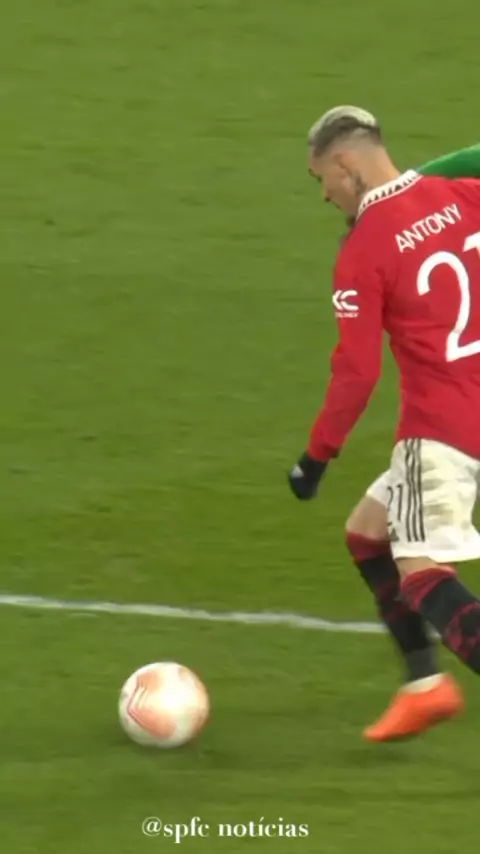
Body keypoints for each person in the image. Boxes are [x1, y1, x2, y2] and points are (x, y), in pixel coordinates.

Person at [288, 105, 480, 741]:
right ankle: (424, 686)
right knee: (368, 533)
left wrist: (316, 458)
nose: (325, 195)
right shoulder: (464, 196)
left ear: (346, 164)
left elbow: (357, 374)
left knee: (422, 573)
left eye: (321, 178)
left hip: (445, 430)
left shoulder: (364, 248)